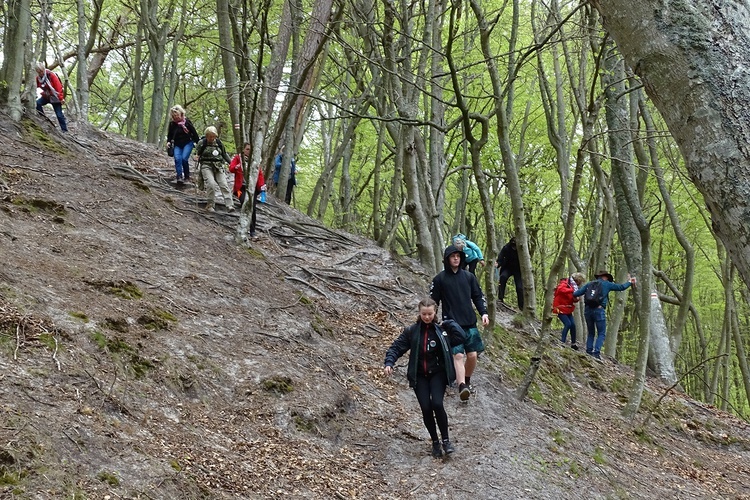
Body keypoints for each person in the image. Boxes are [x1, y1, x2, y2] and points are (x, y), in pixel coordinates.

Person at [383, 298, 467, 458]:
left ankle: (446, 441)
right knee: (426, 408)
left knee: (437, 403)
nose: (427, 317)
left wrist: (451, 324)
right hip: (419, 375)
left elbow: (461, 337)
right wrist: (389, 362)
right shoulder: (412, 331)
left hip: (438, 374)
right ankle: (435, 442)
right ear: (419, 313)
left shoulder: (441, 330)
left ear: (435, 312)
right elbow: (397, 347)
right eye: (424, 314)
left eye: (430, 314)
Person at [430, 245, 490, 401]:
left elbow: (478, 296)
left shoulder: (469, 277)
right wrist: (431, 321)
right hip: (451, 324)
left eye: (458, 256)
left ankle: (466, 380)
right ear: (447, 259)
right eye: (452, 256)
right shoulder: (439, 279)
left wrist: (484, 313)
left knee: (472, 355)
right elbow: (433, 302)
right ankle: (462, 385)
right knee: (457, 355)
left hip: (469, 322)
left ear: (462, 258)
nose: (456, 258)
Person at [572, 270, 636, 359]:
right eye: (608, 278)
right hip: (599, 310)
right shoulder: (607, 284)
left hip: (587, 311)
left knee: (591, 332)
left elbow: (576, 293)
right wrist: (630, 282)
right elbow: (621, 287)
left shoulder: (589, 284)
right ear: (605, 277)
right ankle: (596, 353)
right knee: (601, 333)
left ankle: (589, 351)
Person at [229, 142, 266, 237]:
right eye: (247, 149)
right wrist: (236, 167)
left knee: (252, 208)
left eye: (250, 150)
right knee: (244, 203)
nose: (249, 151)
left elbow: (260, 174)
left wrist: (262, 187)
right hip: (239, 189)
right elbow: (231, 168)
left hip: (252, 189)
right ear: (243, 149)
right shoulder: (238, 158)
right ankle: (242, 227)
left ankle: (252, 231)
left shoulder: (255, 160)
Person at [195, 126, 234, 213]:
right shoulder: (202, 142)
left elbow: (224, 154)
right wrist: (196, 157)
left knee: (224, 184)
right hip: (206, 166)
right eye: (209, 136)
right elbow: (196, 153)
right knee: (211, 184)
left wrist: (232, 163)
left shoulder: (219, 143)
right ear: (206, 135)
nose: (211, 138)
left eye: (213, 136)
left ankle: (229, 205)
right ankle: (210, 205)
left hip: (218, 166)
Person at [552, 272, 586, 350]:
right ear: (577, 280)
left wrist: (576, 298)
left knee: (573, 325)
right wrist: (572, 290)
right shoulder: (564, 283)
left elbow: (572, 298)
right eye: (579, 282)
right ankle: (562, 342)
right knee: (568, 324)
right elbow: (560, 290)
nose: (579, 284)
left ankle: (573, 343)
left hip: (567, 309)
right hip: (559, 308)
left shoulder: (574, 287)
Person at [166, 105, 200, 184]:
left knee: (184, 159)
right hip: (177, 144)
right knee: (177, 159)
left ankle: (187, 176)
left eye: (177, 115)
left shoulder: (187, 122)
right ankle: (179, 176)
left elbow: (194, 133)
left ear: (181, 113)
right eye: (174, 116)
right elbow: (170, 134)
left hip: (188, 143)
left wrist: (199, 145)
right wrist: (168, 142)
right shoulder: (172, 124)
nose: (176, 117)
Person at [34, 62, 67, 132]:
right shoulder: (38, 78)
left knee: (59, 115)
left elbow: (59, 88)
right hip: (46, 96)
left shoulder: (51, 75)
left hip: (55, 97)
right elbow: (34, 87)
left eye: (42, 71)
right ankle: (44, 119)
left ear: (44, 69)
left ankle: (64, 130)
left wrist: (61, 98)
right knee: (37, 103)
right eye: (39, 72)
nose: (41, 73)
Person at [495, 237, 524, 310]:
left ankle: (521, 307)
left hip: (518, 270)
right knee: (503, 277)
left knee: (520, 287)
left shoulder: (522, 250)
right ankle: (500, 298)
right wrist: (498, 263)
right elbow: (500, 257)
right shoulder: (506, 247)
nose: (514, 248)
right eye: (513, 246)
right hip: (507, 268)